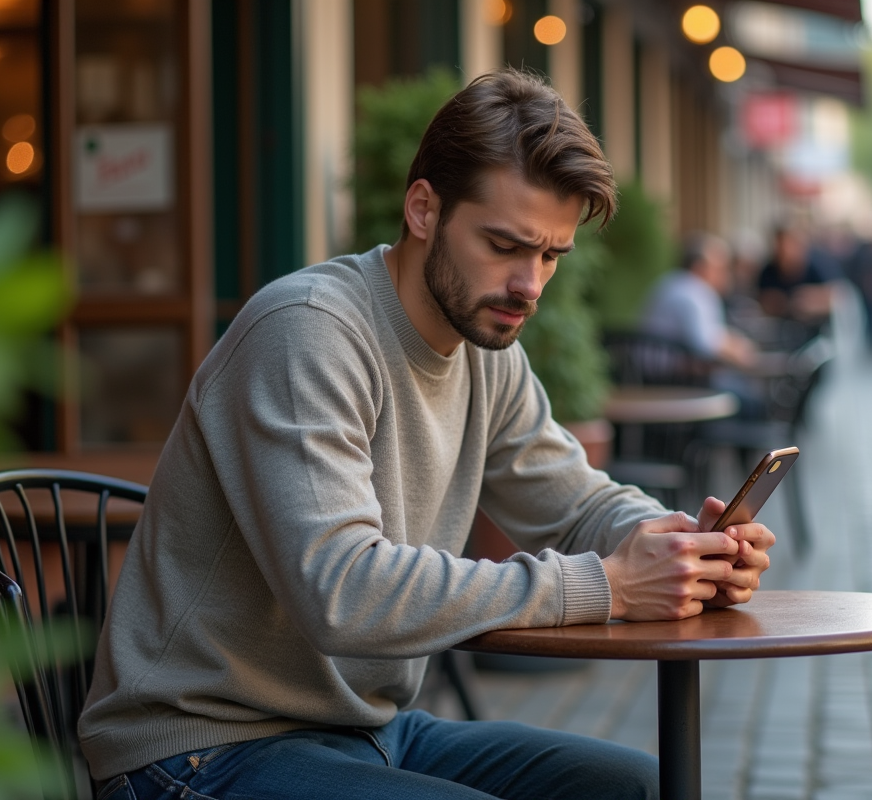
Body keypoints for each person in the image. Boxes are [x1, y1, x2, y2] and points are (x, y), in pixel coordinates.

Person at [78, 69, 776, 800]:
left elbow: (574, 503)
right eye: (504, 245)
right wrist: (605, 585)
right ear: (423, 210)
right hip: (199, 745)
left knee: (635, 787)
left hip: (365, 730)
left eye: (549, 255)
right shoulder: (309, 332)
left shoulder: (485, 352)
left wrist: (680, 548)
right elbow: (342, 590)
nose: (530, 285)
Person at [640, 232, 763, 417]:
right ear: (699, 267)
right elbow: (704, 345)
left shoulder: (669, 283)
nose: (725, 275)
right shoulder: (695, 291)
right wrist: (740, 351)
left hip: (652, 379)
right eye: (720, 267)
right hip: (677, 384)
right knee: (753, 400)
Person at [757, 224, 835, 343]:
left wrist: (811, 300)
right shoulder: (768, 270)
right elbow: (762, 300)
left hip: (816, 333)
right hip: (780, 333)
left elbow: (837, 297)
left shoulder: (817, 265)